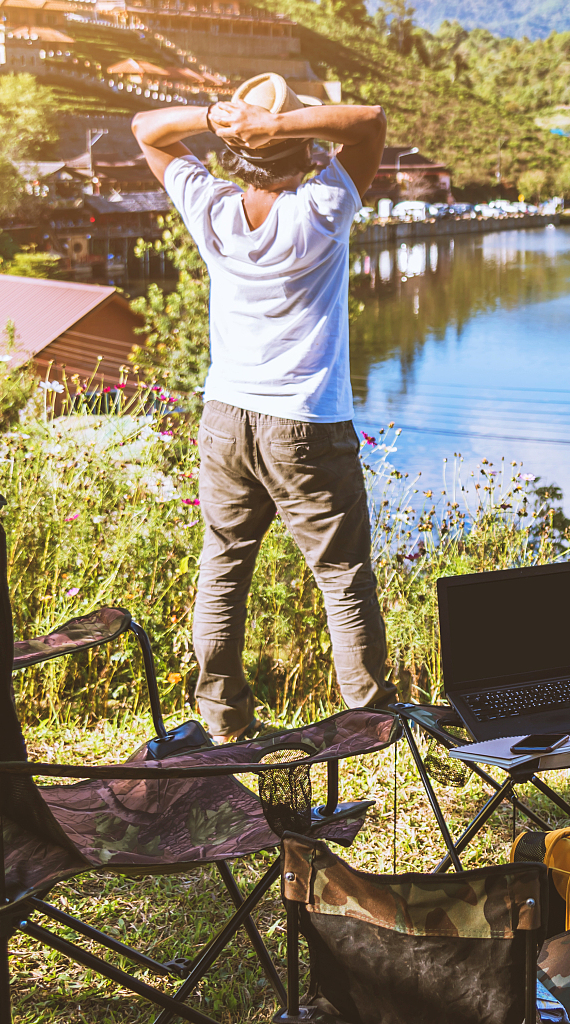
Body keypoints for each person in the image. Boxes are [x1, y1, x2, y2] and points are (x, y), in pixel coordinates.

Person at [133, 73, 398, 742]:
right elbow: (369, 120)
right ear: (304, 150)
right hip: (305, 421)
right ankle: (367, 720)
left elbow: (144, 128)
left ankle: (224, 721)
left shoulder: (212, 208)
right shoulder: (319, 210)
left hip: (225, 416)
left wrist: (213, 117)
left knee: (222, 565)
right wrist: (283, 124)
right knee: (342, 576)